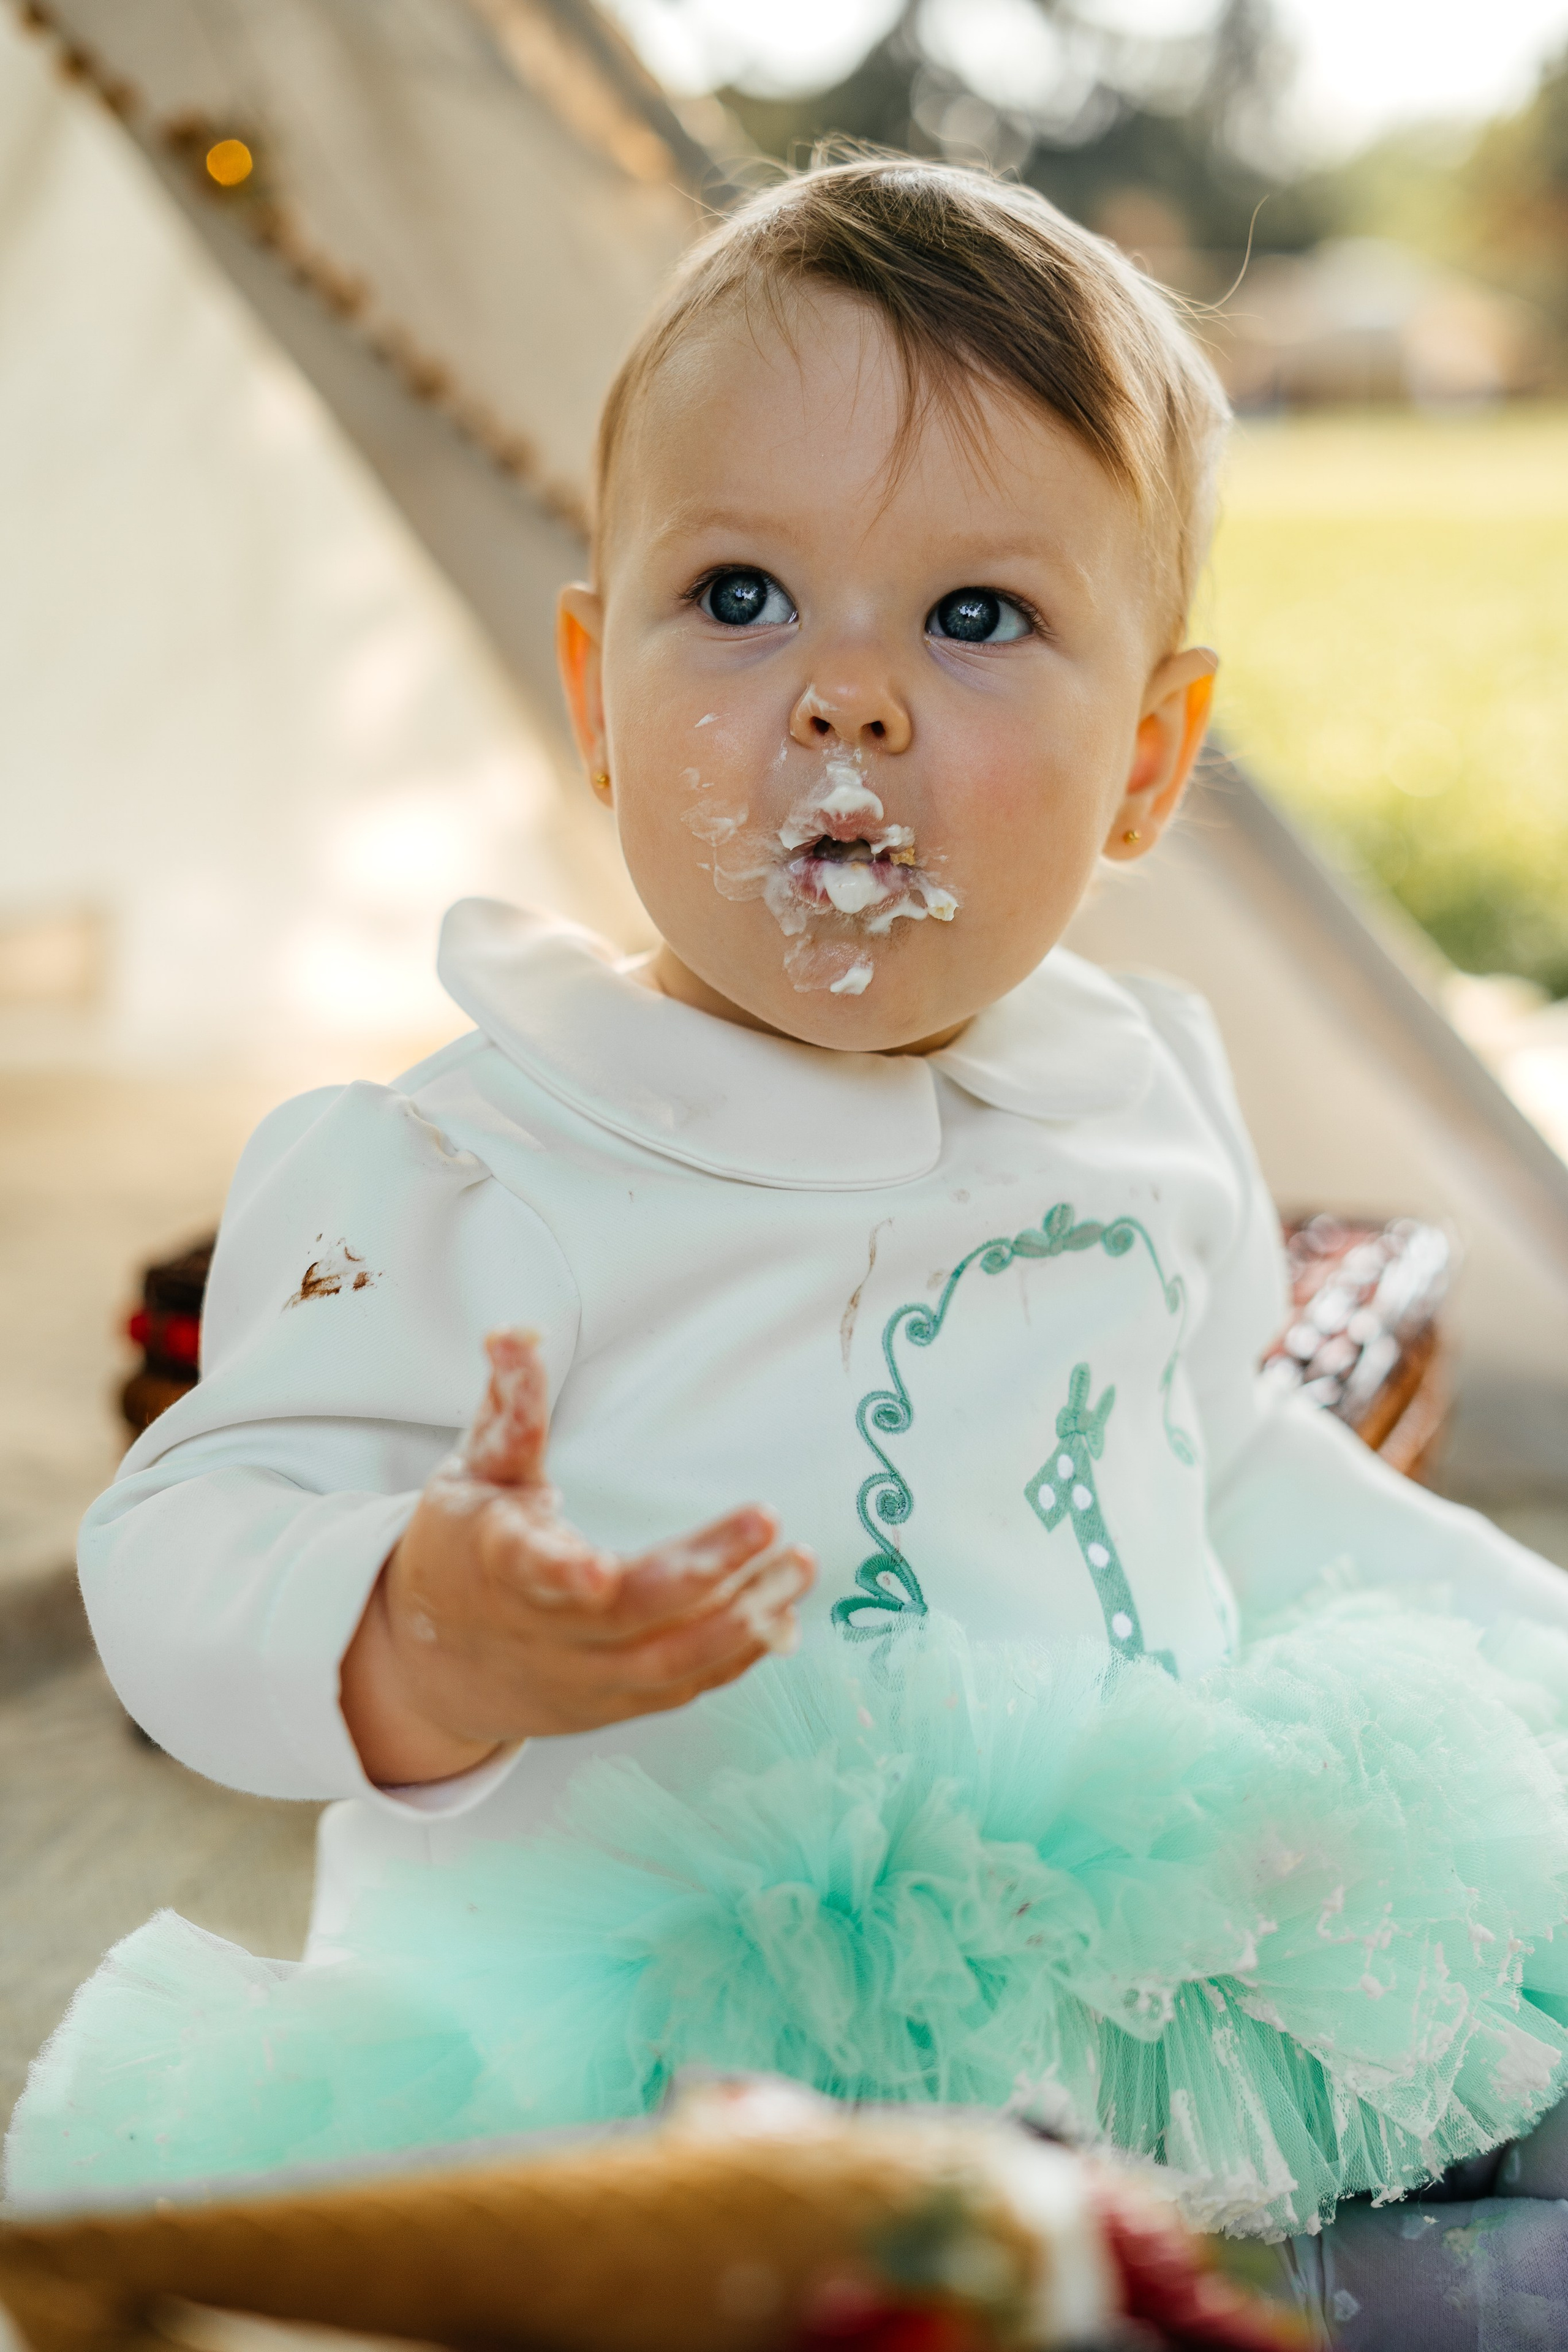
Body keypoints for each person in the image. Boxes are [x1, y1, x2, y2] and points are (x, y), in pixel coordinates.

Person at [9, 157, 1568, 2344]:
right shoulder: (465, 1167)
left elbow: (1220, 1464)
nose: (846, 696)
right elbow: (187, 1540)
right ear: (595, 692)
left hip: (1167, 1984)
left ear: (1147, 760)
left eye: (973, 618)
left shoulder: (1138, 1091)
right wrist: (420, 1630)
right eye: (741, 596)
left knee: (1475, 2113)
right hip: (692, 2087)